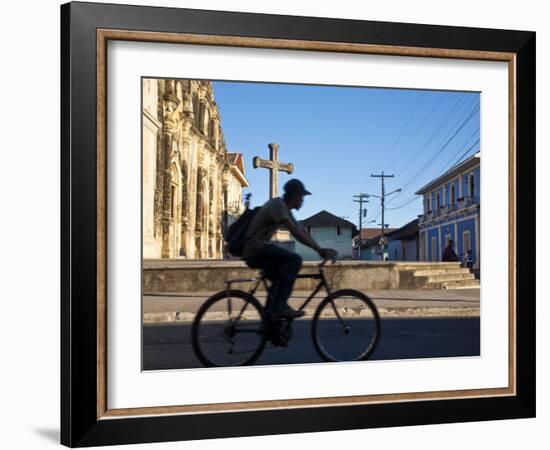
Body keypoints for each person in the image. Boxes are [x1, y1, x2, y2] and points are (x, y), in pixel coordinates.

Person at [241, 179, 337, 319]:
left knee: (281, 280)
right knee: (294, 260)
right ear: (294, 195)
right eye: (301, 197)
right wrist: (320, 251)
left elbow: (302, 231)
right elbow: (295, 232)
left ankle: (270, 320)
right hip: (255, 249)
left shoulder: (285, 209)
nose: (303, 201)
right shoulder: (278, 205)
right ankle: (279, 308)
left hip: (258, 249)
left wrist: (320, 249)